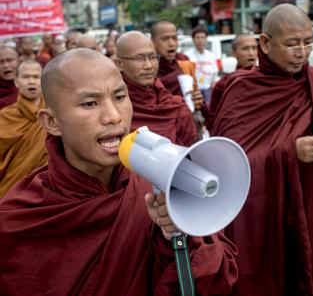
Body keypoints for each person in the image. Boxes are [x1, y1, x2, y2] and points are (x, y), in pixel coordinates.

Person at [0, 48, 238, 295]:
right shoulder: (19, 217)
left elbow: (218, 278)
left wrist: (179, 237)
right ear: (51, 122)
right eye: (90, 103)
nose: (113, 117)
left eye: (120, 97)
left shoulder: (161, 187)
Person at [210, 3, 313, 296]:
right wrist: (288, 153)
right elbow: (225, 167)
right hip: (264, 220)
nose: (302, 52)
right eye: (291, 43)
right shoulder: (242, 91)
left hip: (312, 207)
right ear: (265, 43)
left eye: (308, 42)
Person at [115, 31, 197, 146]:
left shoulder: (174, 106)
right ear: (119, 64)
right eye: (140, 58)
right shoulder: (113, 108)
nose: (149, 66)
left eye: (152, 57)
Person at [0, 60, 47, 198]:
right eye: (26, 77)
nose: (31, 81)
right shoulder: (5, 117)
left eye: (36, 77)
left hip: (48, 189)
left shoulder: (55, 115)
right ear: (16, 81)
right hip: (10, 186)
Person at [151, 21, 204, 138]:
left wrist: (197, 99)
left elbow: (195, 92)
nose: (171, 44)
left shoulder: (184, 61)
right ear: (153, 42)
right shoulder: (149, 68)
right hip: (163, 127)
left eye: (174, 38)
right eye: (165, 39)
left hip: (188, 122)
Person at [204, 33, 258, 127]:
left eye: (254, 48)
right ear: (234, 53)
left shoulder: (267, 78)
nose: (251, 53)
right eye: (245, 49)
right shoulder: (224, 84)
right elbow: (213, 119)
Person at [184, 26, 219, 104]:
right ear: (193, 39)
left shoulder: (211, 56)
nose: (200, 40)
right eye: (197, 38)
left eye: (203, 37)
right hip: (194, 91)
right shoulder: (187, 56)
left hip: (208, 90)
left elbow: (215, 75)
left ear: (206, 39)